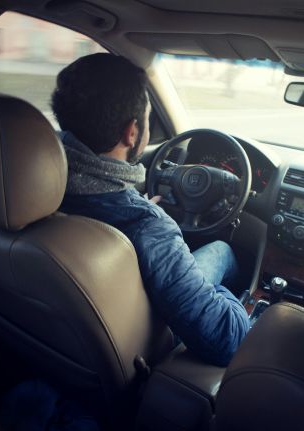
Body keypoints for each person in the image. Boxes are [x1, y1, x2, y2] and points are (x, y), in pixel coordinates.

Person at [51, 53, 250, 367]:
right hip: (147, 342)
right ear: (132, 132)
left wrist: (143, 207)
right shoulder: (147, 226)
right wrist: (224, 296)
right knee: (223, 250)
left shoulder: (36, 184)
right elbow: (228, 339)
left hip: (65, 341)